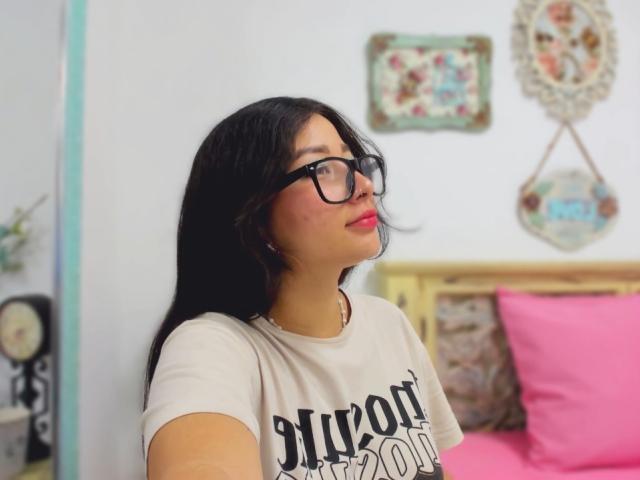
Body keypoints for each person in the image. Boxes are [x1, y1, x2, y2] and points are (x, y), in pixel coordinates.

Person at [141, 96, 463, 479]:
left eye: (354, 164)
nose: (363, 186)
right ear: (255, 215)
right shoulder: (210, 348)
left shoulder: (388, 323)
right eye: (323, 168)